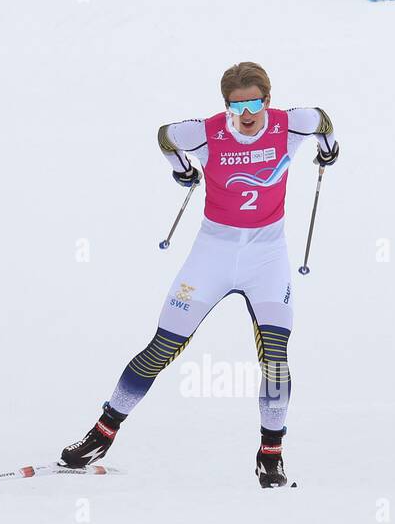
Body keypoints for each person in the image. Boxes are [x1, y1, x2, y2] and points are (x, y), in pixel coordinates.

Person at [58, 62, 339, 487]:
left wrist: (329, 148)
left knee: (276, 360)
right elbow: (165, 135)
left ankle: (271, 454)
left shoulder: (290, 125)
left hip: (267, 258)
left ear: (269, 99)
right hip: (212, 254)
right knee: (161, 346)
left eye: (256, 102)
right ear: (226, 104)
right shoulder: (207, 132)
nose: (247, 113)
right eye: (237, 104)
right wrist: (182, 169)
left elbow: (322, 120)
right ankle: (102, 432)